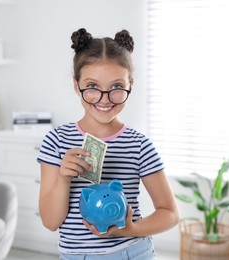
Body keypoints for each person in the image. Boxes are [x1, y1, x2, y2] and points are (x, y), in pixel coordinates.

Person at [37, 28, 179, 259]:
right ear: (76, 84)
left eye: (116, 87)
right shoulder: (56, 141)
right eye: (92, 86)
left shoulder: (140, 145)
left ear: (130, 84)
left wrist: (131, 229)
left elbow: (170, 213)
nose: (104, 98)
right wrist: (64, 178)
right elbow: (51, 222)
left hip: (130, 252)